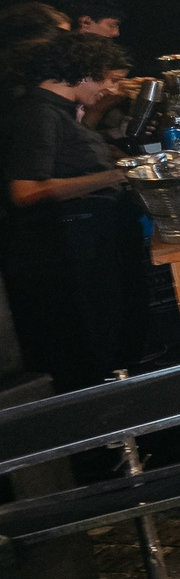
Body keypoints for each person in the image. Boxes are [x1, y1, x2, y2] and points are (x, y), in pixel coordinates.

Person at [3, 33, 144, 396]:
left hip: (88, 240)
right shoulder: (37, 112)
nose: (111, 88)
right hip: (70, 248)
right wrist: (114, 175)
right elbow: (25, 191)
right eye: (107, 79)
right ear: (82, 73)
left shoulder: (59, 110)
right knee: (91, 342)